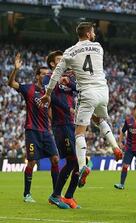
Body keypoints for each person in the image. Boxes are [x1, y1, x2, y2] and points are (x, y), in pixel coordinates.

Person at [39, 22, 123, 188]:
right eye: (93, 32)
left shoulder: (70, 52)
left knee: (79, 132)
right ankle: (115, 147)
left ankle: (83, 165)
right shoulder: (98, 47)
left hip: (87, 93)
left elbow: (56, 73)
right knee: (99, 120)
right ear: (89, 34)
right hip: (103, 91)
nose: (95, 35)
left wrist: (48, 93)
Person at [7, 53, 60, 203]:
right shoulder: (28, 89)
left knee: (55, 159)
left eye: (47, 74)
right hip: (32, 131)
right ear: (37, 76)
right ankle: (27, 194)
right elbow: (11, 84)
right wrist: (15, 69)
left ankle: (56, 194)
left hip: (46, 132)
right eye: (43, 74)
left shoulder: (48, 92)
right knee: (31, 163)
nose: (45, 76)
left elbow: (49, 111)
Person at [43, 51, 80, 209]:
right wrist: (68, 108)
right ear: (52, 63)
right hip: (60, 124)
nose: (63, 61)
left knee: (79, 163)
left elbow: (79, 90)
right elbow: (51, 97)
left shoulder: (69, 77)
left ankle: (69, 196)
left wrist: (69, 82)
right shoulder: (48, 77)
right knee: (73, 160)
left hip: (72, 124)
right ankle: (55, 195)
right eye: (59, 60)